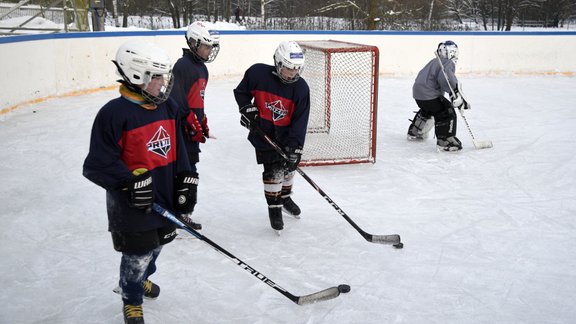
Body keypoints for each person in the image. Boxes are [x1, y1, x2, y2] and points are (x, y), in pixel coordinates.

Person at [83, 40, 197, 324]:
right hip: (132, 205)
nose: (163, 83)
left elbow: (177, 146)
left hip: (164, 195)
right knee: (138, 253)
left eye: (163, 76)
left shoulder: (167, 106)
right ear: (137, 76)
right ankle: (131, 297)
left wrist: (186, 177)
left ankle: (142, 278)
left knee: (158, 244)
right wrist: (129, 182)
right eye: (156, 77)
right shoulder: (113, 114)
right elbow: (96, 165)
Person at [233, 41, 310, 233]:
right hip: (263, 133)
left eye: (296, 70)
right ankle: (274, 207)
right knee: (274, 171)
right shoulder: (258, 74)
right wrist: (247, 109)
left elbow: (300, 121)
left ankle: (284, 197)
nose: (292, 74)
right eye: (288, 69)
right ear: (277, 62)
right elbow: (241, 92)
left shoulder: (301, 88)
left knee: (288, 168)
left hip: (287, 135)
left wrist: (295, 147)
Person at [169, 21, 220, 230]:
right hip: (181, 129)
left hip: (191, 127)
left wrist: (202, 118)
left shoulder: (202, 69)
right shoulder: (182, 66)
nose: (209, 51)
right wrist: (188, 118)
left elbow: (196, 98)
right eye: (206, 46)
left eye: (210, 47)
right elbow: (175, 98)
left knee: (191, 170)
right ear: (193, 43)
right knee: (184, 170)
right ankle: (179, 215)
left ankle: (184, 213)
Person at [407, 40, 470, 151]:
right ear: (452, 52)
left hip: (418, 94)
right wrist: (455, 92)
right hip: (429, 94)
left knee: (429, 109)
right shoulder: (448, 63)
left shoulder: (435, 61)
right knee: (446, 112)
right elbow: (446, 79)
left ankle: (416, 130)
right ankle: (445, 140)